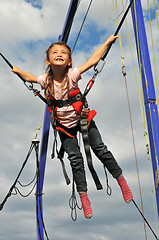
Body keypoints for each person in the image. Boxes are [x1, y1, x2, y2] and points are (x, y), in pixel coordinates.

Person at [12, 35, 133, 219]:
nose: (59, 54)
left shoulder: (73, 74)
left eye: (63, 53)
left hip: (83, 120)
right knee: (75, 159)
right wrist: (18, 71)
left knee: (100, 149)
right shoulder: (45, 80)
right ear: (48, 60)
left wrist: (107, 43)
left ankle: (121, 181)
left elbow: (93, 60)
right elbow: (29, 77)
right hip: (64, 127)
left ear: (69, 61)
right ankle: (84, 197)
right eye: (55, 52)